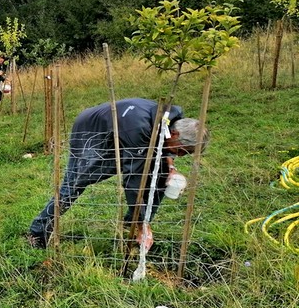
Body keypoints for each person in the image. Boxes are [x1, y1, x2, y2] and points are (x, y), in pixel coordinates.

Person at [27, 98, 208, 249]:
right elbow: (132, 183)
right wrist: (143, 226)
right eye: (181, 151)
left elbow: (163, 146)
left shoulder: (173, 119)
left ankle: (132, 224)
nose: (179, 155)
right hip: (93, 129)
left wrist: (170, 169)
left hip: (124, 129)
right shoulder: (140, 130)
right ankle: (37, 231)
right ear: (175, 134)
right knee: (76, 182)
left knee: (161, 177)